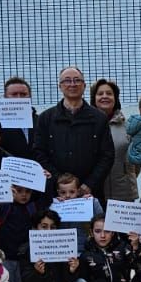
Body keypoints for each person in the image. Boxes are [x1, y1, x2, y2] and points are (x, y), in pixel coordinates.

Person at [32, 66, 115, 201]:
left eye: (77, 80)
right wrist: (60, 182)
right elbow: (39, 152)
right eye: (67, 80)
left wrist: (89, 184)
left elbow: (107, 155)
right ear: (60, 86)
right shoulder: (46, 118)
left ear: (84, 85)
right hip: (56, 192)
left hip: (90, 192)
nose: (72, 84)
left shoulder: (99, 118)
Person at [0, 183, 50, 282]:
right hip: (6, 255)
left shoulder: (32, 208)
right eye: (18, 191)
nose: (24, 195)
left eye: (27, 191)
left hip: (24, 257)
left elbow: (45, 199)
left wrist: (45, 180)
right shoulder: (4, 206)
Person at [91, 79, 141, 204]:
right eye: (100, 93)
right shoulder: (87, 126)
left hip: (124, 193)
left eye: (109, 93)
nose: (105, 96)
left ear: (115, 98)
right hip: (93, 194)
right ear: (94, 98)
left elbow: (136, 163)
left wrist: (126, 174)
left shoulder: (128, 126)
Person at [50, 171, 104, 250]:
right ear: (58, 192)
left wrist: (90, 203)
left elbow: (102, 220)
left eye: (72, 192)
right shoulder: (53, 205)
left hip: (86, 249)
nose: (67, 195)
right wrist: (53, 207)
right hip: (62, 250)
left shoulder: (90, 202)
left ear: (78, 191)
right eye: (63, 192)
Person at [0, 78, 34, 156]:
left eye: (23, 94)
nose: (19, 98)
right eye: (14, 94)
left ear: (30, 97)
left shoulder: (41, 120)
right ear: (5, 97)